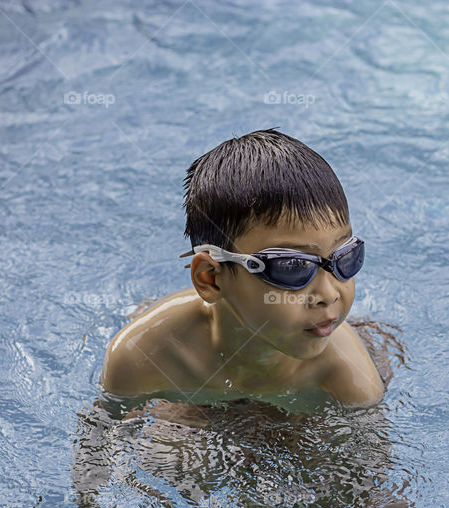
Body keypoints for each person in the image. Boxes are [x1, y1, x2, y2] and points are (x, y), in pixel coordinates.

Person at [100, 128, 392, 411]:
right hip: (192, 378)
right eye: (292, 267)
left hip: (298, 398)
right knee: (172, 447)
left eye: (345, 257)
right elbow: (96, 451)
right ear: (211, 279)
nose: (328, 294)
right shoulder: (143, 354)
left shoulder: (349, 375)